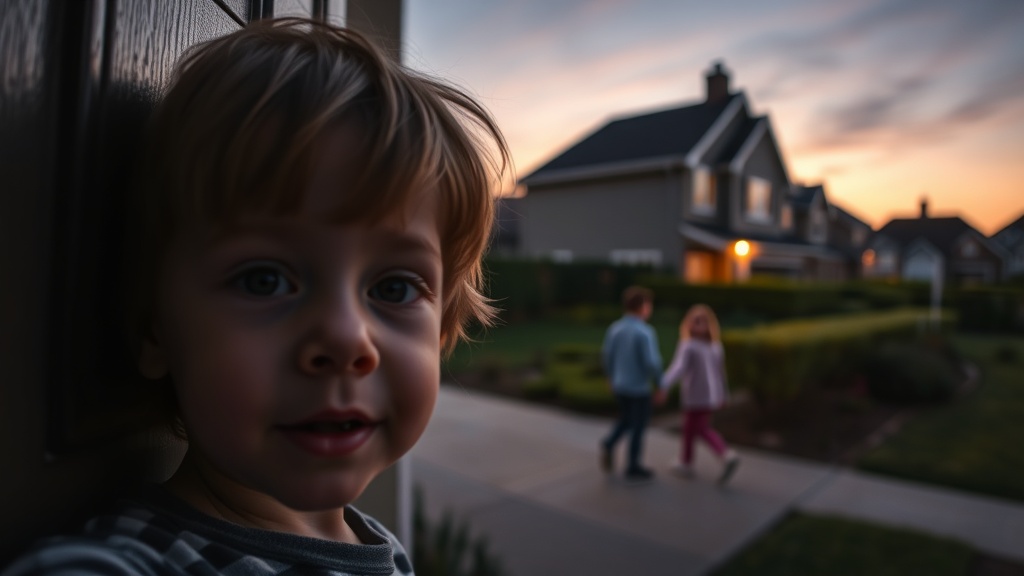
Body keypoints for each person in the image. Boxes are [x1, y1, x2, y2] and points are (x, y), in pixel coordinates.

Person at [3, 17, 508, 576]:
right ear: (154, 326)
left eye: (394, 288)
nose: (346, 338)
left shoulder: (378, 546)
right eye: (263, 280)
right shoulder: (120, 565)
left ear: (442, 329)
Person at [655, 304, 739, 485]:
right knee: (689, 429)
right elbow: (683, 368)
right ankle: (686, 462)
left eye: (702, 321)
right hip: (707, 396)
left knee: (699, 429)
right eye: (695, 321)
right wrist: (722, 395)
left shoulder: (692, 346)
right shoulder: (712, 346)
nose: (698, 325)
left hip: (696, 396)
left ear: (709, 325)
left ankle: (725, 454)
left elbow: (680, 369)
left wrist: (663, 384)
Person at [600, 286, 662, 482]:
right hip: (638, 388)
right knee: (638, 426)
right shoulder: (644, 332)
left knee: (626, 419)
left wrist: (610, 377)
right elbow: (652, 362)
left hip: (620, 385)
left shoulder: (615, 328)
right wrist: (660, 384)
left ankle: (609, 443)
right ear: (643, 306)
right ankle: (633, 465)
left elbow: (607, 355)